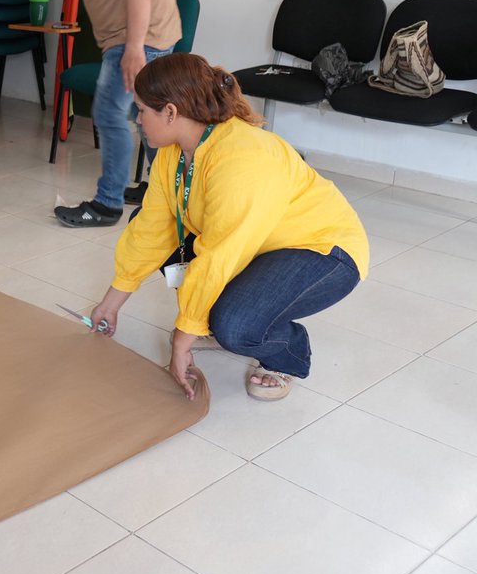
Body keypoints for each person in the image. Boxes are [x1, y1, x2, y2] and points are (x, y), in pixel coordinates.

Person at [87, 53, 368, 401]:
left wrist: (182, 338)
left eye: (143, 110)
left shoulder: (243, 159)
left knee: (235, 326)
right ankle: (220, 317)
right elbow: (152, 231)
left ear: (171, 112)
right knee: (157, 236)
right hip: (259, 244)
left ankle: (288, 354)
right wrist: (112, 302)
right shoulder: (173, 153)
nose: (138, 119)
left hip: (325, 252)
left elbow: (221, 254)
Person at [35, 0, 181, 227]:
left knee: (109, 115)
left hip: (135, 39)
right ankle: (162, 190)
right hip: (147, 34)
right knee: (145, 116)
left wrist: (133, 49)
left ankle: (106, 205)